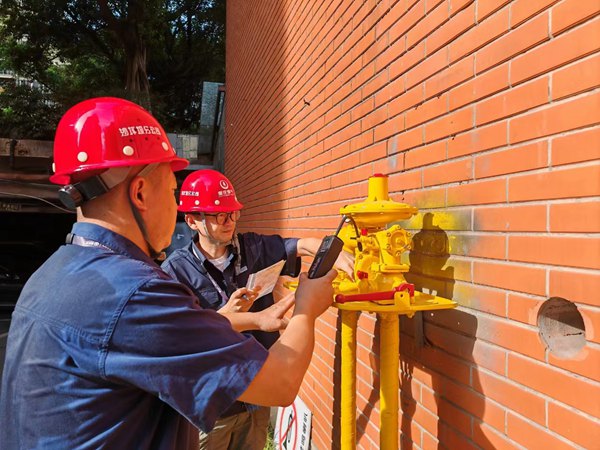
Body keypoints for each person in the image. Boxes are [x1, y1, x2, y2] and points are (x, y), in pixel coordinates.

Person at [0, 97, 337, 449]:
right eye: (174, 192)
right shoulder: (135, 292)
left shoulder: (49, 275)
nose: (176, 208)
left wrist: (240, 321)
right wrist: (307, 308)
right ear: (141, 192)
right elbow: (280, 383)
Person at [161, 170, 355, 450]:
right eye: (219, 215)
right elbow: (177, 340)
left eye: (233, 213)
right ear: (192, 221)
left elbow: (296, 245)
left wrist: (328, 250)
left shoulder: (253, 248)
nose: (230, 222)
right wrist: (225, 315)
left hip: (257, 398)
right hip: (212, 407)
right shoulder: (175, 272)